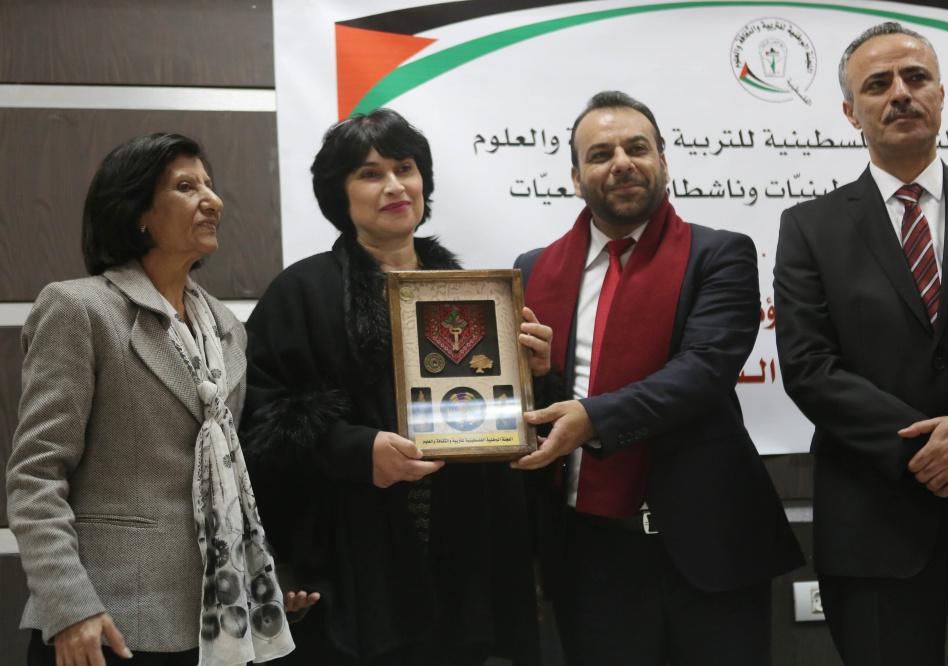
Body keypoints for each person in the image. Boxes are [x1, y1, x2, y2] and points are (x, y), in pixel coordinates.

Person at [239, 108, 548, 666]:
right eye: (369, 173)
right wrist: (358, 451)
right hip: (355, 567)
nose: (394, 186)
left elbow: (513, 429)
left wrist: (537, 376)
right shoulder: (300, 292)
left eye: (405, 168)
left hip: (465, 562)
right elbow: (258, 420)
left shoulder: (474, 294)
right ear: (339, 194)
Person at [512, 91, 803, 666]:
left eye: (637, 148)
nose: (621, 163)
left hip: (709, 542)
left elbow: (703, 372)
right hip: (589, 551)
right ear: (575, 178)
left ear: (664, 162)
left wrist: (592, 418)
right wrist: (539, 378)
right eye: (600, 154)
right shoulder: (533, 269)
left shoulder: (719, 254)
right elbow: (539, 404)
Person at [6, 133, 316, 666]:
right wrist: (69, 606)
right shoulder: (79, 308)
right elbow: (36, 476)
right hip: (107, 618)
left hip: (217, 621)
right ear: (138, 214)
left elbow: (234, 475)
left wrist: (267, 575)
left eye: (210, 186)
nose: (212, 200)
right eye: (186, 187)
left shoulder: (226, 328)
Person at [774, 22, 948, 666]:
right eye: (878, 84)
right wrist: (933, 454)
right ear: (851, 112)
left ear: (941, 95)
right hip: (874, 518)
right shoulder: (809, 227)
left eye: (915, 77)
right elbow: (809, 367)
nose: (900, 93)